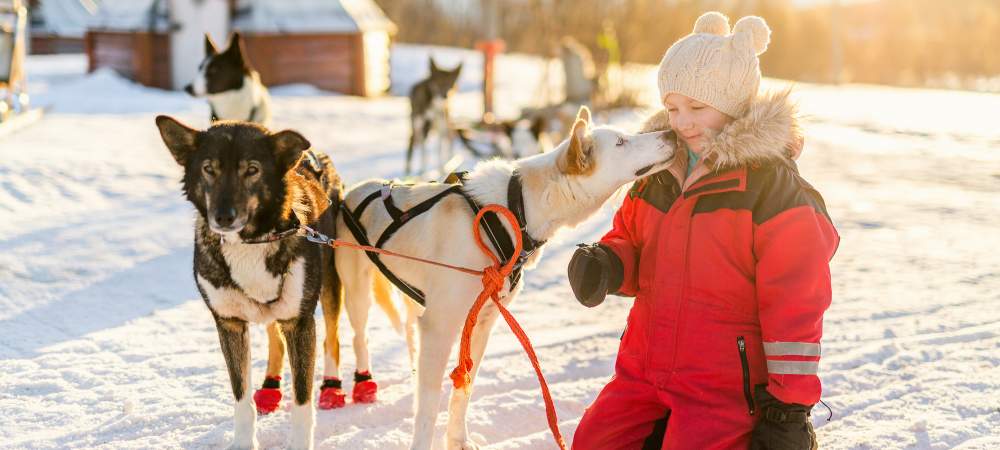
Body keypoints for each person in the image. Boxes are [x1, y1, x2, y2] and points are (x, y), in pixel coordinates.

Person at [568, 12, 839, 450]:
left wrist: (788, 408)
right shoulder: (657, 170)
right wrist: (608, 263)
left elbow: (796, 302)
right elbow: (631, 238)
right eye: (673, 108)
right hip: (644, 367)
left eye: (697, 108)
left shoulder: (769, 189)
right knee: (595, 441)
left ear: (732, 107)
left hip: (722, 383)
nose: (682, 122)